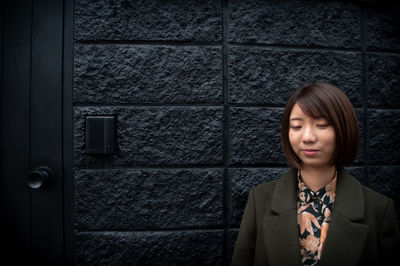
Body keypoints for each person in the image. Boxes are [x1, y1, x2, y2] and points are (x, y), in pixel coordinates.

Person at [231, 83, 399, 266]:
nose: (308, 137)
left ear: (344, 129)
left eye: (322, 125)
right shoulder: (260, 200)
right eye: (296, 126)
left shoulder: (378, 209)